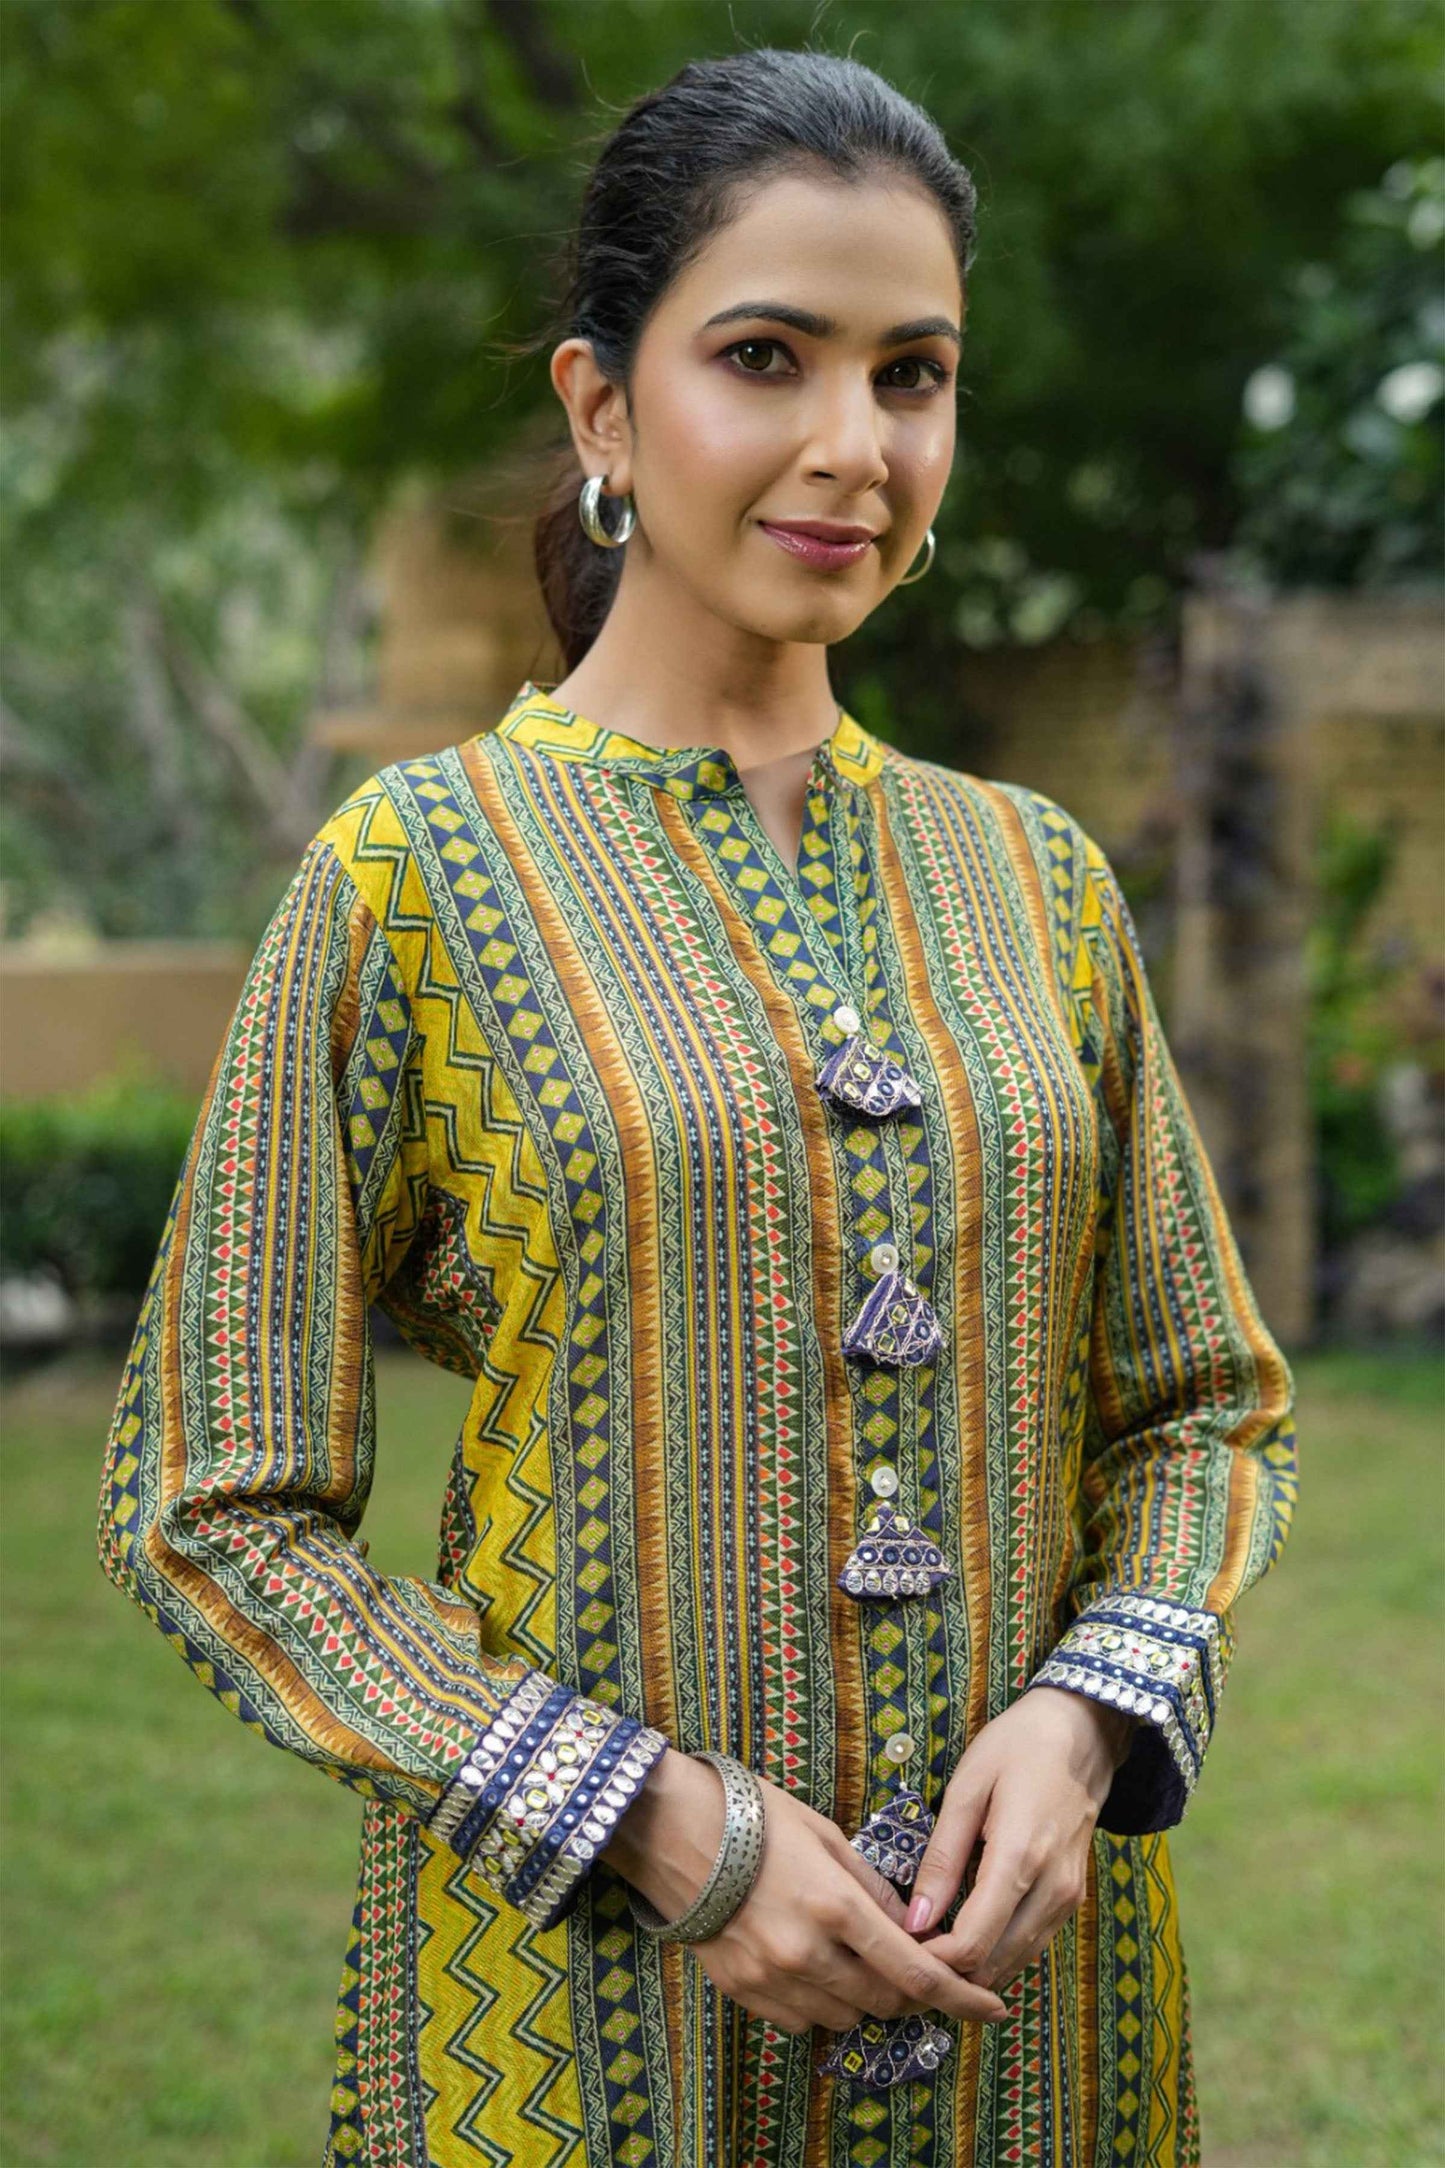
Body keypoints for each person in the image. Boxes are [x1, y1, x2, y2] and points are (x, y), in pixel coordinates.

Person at [96, 44, 1299, 2168]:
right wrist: (649, 1822)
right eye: (766, 358)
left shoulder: (1033, 880)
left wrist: (1089, 1715)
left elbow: (1201, 1403)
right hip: (586, 2027)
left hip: (1039, 2021)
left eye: (912, 376)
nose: (854, 445)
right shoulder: (413, 876)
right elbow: (213, 1499)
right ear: (601, 409)